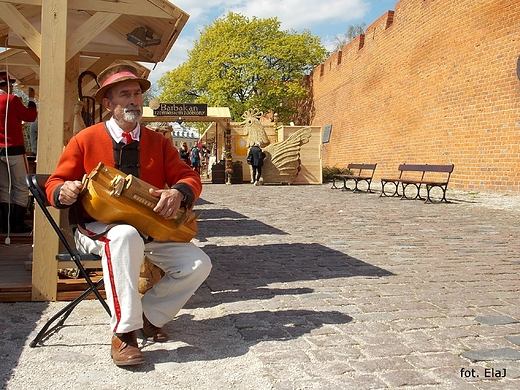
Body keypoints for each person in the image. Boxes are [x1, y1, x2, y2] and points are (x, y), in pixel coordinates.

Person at [44, 63, 212, 367]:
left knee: (198, 263)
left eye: (137, 93)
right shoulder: (85, 139)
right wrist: (63, 192)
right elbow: (54, 183)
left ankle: (150, 315)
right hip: (96, 230)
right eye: (125, 94)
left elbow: (189, 177)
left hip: (149, 229)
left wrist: (178, 192)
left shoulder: (158, 142)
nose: (134, 100)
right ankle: (124, 334)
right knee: (124, 234)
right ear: (109, 104)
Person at [0, 71, 38, 233]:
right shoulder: (11, 100)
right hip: (14, 149)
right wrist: (31, 100)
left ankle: (5, 224)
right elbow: (30, 116)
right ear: (5, 85)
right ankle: (17, 223)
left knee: (4, 187)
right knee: (22, 186)